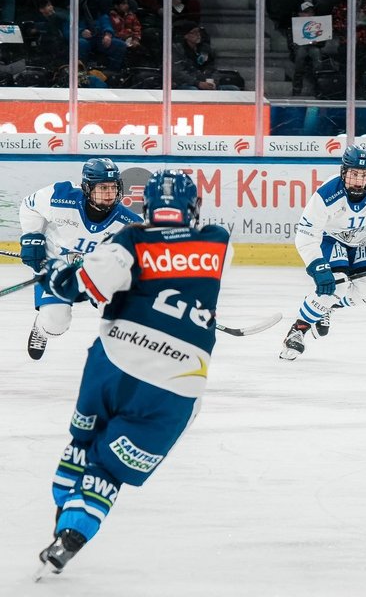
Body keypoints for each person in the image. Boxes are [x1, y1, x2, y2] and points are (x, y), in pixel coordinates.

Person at [33, 170, 229, 579]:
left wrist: (60, 275)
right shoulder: (218, 240)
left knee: (83, 443)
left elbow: (83, 287)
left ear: (146, 206)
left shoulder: (130, 240)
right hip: (178, 382)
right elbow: (182, 267)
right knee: (108, 470)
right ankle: (71, 535)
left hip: (115, 362)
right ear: (193, 207)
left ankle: (63, 514)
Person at [279, 146, 366, 360]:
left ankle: (326, 306)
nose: (358, 181)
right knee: (337, 285)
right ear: (343, 172)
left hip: (363, 239)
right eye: (353, 174)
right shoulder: (327, 193)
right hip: (331, 238)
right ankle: (298, 331)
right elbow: (306, 234)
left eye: (363, 175)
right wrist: (316, 265)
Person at [18, 158, 142, 359]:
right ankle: (41, 330)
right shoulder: (60, 196)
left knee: (123, 315)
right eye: (103, 188)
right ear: (87, 188)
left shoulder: (129, 224)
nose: (109, 194)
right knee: (55, 323)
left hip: (96, 273)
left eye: (113, 187)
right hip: (55, 265)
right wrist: (32, 237)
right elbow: (29, 206)